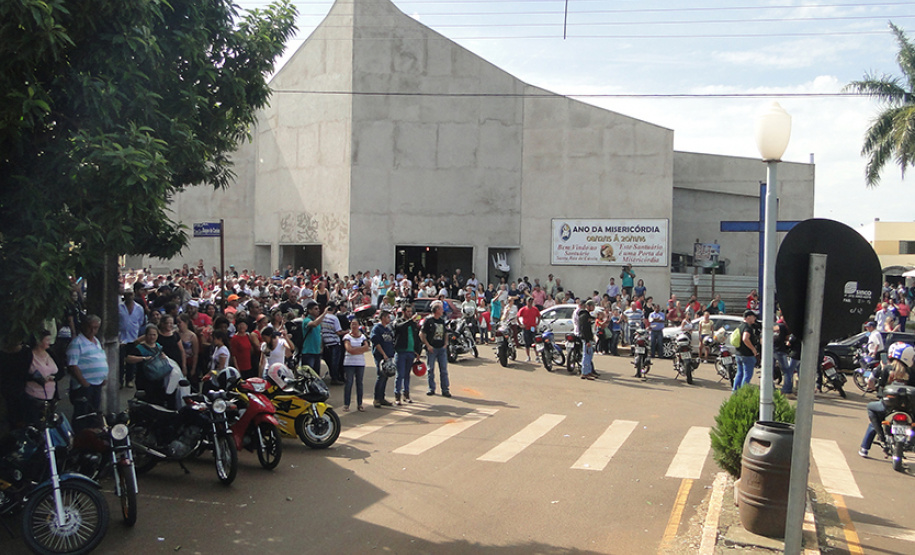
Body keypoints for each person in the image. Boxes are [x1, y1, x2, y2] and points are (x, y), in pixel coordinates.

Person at [859, 342, 913, 457]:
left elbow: (881, 386)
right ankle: (911, 442)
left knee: (871, 410)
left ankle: (872, 444)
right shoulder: (912, 372)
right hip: (908, 407)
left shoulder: (887, 369)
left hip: (888, 406)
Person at [67, 316, 109, 429]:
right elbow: (72, 365)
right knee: (82, 413)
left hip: (97, 384)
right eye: (90, 327)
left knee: (94, 413)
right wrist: (83, 382)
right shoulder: (77, 343)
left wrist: (103, 376)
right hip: (84, 385)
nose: (92, 331)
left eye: (96, 328)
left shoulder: (96, 341)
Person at [126, 324, 172, 407]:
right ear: (146, 335)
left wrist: (164, 357)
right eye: (150, 335)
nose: (152, 337)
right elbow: (128, 359)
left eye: (154, 335)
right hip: (144, 380)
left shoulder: (158, 346)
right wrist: (143, 358)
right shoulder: (140, 348)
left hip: (158, 381)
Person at [25, 330, 58, 424]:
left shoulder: (50, 353)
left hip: (51, 395)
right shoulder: (29, 356)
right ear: (38, 341)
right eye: (47, 340)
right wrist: (38, 378)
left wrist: (53, 377)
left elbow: (59, 371)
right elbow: (24, 374)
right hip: (35, 395)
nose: (49, 343)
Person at [420, 300, 450, 397]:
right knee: (430, 369)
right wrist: (428, 345)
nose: (442, 311)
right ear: (436, 310)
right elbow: (421, 334)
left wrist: (445, 344)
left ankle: (445, 389)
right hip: (432, 349)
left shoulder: (442, 321)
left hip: (441, 348)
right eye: (441, 309)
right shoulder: (428, 320)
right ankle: (431, 388)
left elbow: (446, 333)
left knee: (444, 370)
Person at [393, 304, 422, 405]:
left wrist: (418, 351)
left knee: (407, 375)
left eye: (411, 311)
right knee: (400, 374)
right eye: (408, 311)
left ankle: (406, 394)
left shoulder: (413, 324)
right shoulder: (398, 321)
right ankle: (397, 396)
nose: (410, 313)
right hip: (401, 351)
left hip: (411, 352)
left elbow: (417, 338)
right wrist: (410, 321)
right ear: (403, 312)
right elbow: (399, 328)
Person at [118, 289, 146, 388]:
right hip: (121, 338)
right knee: (120, 361)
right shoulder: (119, 307)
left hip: (133, 338)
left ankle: (129, 380)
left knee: (131, 360)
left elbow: (141, 321)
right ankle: (120, 381)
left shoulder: (139, 308)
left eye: (130, 294)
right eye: (127, 294)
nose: (129, 296)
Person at [342, 317, 370, 412]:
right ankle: (346, 404)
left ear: (359, 325)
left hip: (360, 363)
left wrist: (355, 350)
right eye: (352, 324)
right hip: (349, 363)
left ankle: (360, 404)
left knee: (359, 383)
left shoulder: (362, 337)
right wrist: (360, 350)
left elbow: (366, 347)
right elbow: (349, 349)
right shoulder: (347, 337)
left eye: (355, 324)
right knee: (349, 383)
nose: (353, 326)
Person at [371, 310, 396, 407]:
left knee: (386, 376)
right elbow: (376, 342)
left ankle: (382, 398)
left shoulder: (388, 329)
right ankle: (376, 399)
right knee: (381, 376)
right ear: (383, 318)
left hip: (388, 356)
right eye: (388, 317)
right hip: (380, 356)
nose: (389, 319)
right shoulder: (377, 328)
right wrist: (383, 354)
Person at [300, 300, 331, 375]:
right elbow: (314, 324)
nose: (318, 310)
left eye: (318, 309)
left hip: (317, 352)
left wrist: (321, 347)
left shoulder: (318, 321)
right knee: (309, 375)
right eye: (315, 309)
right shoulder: (306, 320)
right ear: (309, 310)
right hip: (308, 352)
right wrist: (324, 313)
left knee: (316, 375)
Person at [732, 310, 759, 391]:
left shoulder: (740, 326)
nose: (755, 318)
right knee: (747, 375)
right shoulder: (748, 327)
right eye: (753, 317)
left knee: (739, 374)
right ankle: (743, 392)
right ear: (748, 317)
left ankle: (735, 392)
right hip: (747, 355)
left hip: (738, 353)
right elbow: (745, 338)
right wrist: (753, 349)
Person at [321, 302, 346, 384]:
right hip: (335, 342)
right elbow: (338, 332)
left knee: (330, 361)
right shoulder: (334, 318)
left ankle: (333, 376)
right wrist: (347, 331)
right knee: (336, 362)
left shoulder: (322, 317)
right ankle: (335, 378)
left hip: (326, 342)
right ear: (334, 308)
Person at [579, 301, 598, 380]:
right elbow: (584, 329)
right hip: (586, 339)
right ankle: (584, 372)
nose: (593, 308)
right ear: (588, 306)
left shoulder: (587, 315)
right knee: (586, 356)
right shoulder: (584, 316)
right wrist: (587, 341)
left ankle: (589, 371)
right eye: (592, 306)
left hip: (589, 338)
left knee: (589, 356)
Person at [518, 297, 541, 362]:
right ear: (526, 302)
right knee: (527, 343)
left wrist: (537, 324)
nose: (530, 303)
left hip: (532, 328)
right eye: (529, 301)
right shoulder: (523, 309)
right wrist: (521, 325)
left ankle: (537, 356)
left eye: (531, 302)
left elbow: (539, 316)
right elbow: (517, 317)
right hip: (526, 328)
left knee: (535, 342)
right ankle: (528, 356)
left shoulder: (535, 309)